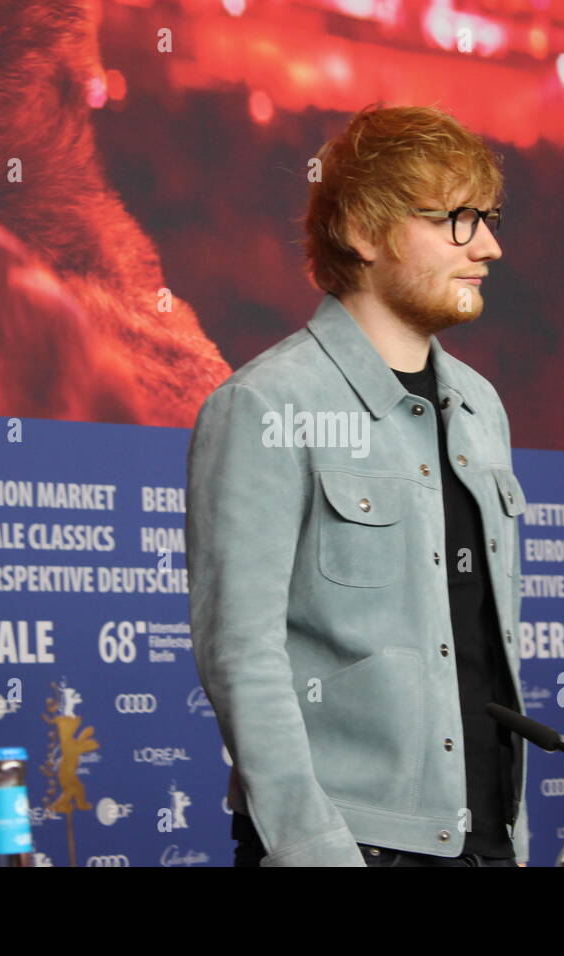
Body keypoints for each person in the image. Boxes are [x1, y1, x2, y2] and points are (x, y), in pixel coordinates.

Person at [187, 103, 529, 866]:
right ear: (364, 232)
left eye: (490, 218)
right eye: (456, 220)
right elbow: (240, 653)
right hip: (354, 847)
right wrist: (314, 851)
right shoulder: (265, 405)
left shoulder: (481, 408)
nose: (490, 247)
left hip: (492, 841)